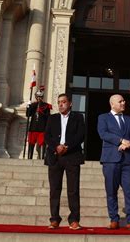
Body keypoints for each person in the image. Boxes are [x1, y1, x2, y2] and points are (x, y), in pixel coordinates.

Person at [97, 94, 130, 230]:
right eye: (120, 101)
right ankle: (114, 219)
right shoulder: (103, 118)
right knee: (111, 191)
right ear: (112, 104)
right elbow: (103, 134)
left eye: (124, 100)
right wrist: (120, 140)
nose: (123, 103)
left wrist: (129, 143)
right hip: (110, 159)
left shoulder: (129, 120)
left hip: (127, 160)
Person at [44, 93, 84, 230]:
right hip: (54, 156)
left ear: (70, 103)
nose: (61, 104)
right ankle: (54, 219)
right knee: (54, 189)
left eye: (64, 102)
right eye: (59, 102)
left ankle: (74, 220)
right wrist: (57, 146)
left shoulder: (78, 117)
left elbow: (81, 135)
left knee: (73, 190)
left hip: (72, 156)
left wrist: (67, 146)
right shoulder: (52, 118)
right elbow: (47, 136)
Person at [26, 88, 52, 159]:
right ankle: (29, 157)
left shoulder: (46, 106)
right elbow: (28, 114)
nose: (39, 98)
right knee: (31, 144)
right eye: (37, 97)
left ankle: (42, 157)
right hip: (33, 128)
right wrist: (28, 107)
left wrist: (47, 128)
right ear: (36, 97)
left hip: (42, 128)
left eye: (40, 97)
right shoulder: (33, 105)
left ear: (42, 97)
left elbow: (48, 118)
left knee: (43, 144)